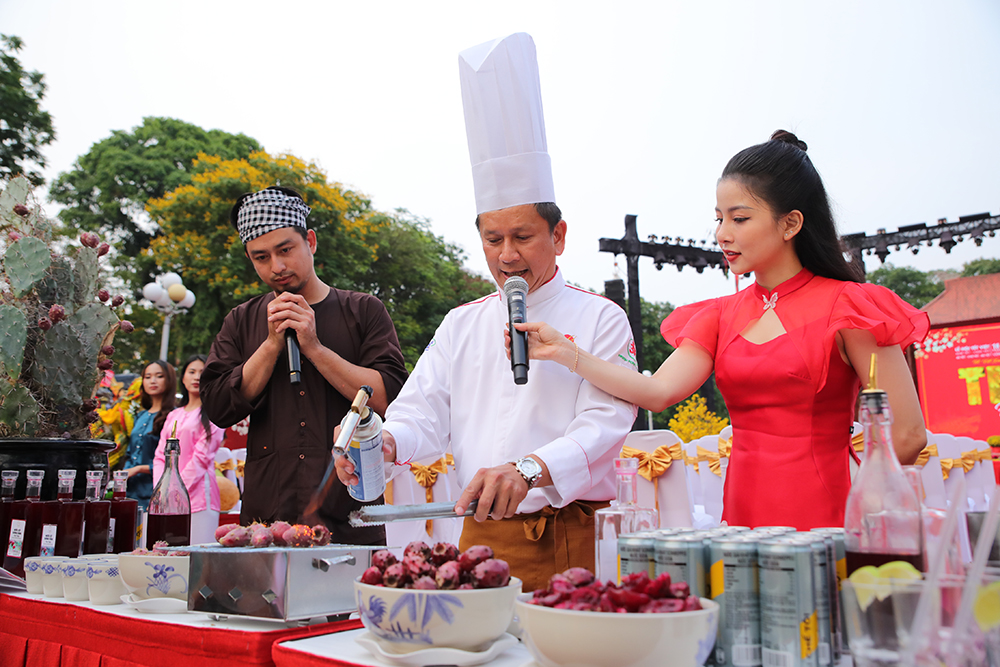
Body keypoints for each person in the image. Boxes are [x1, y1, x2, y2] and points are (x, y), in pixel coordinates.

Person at [336, 33, 638, 591]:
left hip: (566, 530)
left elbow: (605, 423)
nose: (507, 256)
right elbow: (422, 410)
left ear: (559, 235)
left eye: (523, 236)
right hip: (477, 534)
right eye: (493, 239)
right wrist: (384, 442)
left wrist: (530, 468)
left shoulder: (601, 318)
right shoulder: (463, 323)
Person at [514, 130, 929, 531]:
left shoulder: (851, 306)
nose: (722, 234)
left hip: (832, 517)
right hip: (741, 517)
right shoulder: (720, 315)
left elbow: (909, 434)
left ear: (790, 223)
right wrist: (566, 353)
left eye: (739, 218)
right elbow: (657, 392)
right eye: (719, 219)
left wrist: (864, 507)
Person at [200, 185, 408, 545]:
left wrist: (314, 347)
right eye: (261, 257)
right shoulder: (241, 320)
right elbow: (218, 407)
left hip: (349, 517)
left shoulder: (363, 311)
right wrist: (270, 345)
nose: (277, 267)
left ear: (310, 241)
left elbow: (389, 399)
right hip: (267, 522)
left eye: (286, 250)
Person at [154, 354, 224, 545]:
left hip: (200, 497)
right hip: (167, 498)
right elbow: (160, 455)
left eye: (202, 372)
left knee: (197, 553)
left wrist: (175, 491)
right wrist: (161, 489)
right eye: (192, 372)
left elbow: (201, 458)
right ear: (183, 378)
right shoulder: (173, 415)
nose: (197, 377)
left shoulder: (214, 414)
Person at [121, 360, 176, 512]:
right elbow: (130, 452)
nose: (153, 381)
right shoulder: (140, 416)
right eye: (147, 377)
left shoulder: (174, 416)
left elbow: (174, 460)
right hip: (131, 489)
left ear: (169, 380)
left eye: (159, 376)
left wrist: (139, 469)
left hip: (156, 489)